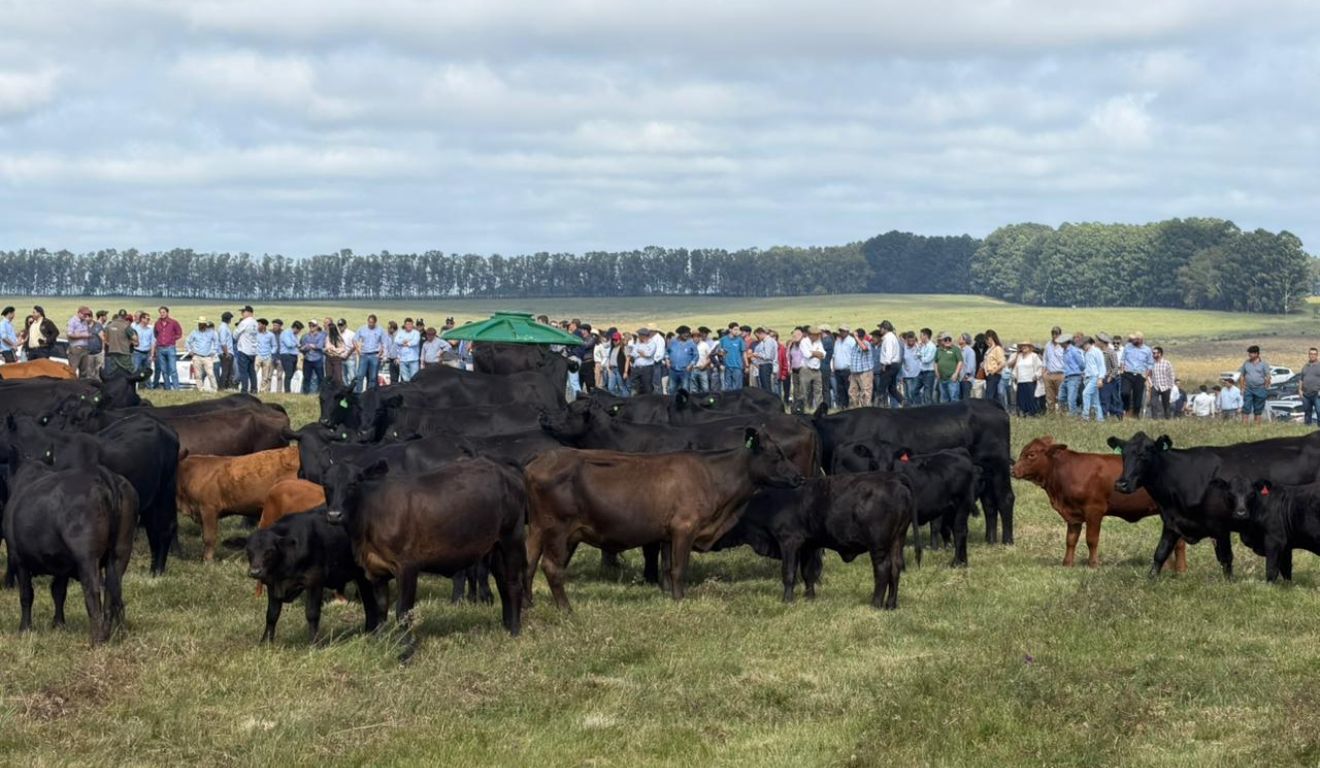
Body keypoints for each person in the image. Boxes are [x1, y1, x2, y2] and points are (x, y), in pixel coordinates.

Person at [1120, 332, 1154, 419]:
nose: (1132, 341)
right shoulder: (1128, 347)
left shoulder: (1147, 350)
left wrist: (1146, 374)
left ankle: (1135, 414)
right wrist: (1122, 369)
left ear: (1140, 340)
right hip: (1127, 373)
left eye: (1134, 339)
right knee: (1124, 392)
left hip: (1140, 375)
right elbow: (1123, 359)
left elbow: (1150, 364)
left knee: (1138, 397)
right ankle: (1126, 409)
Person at [150, 306, 183, 390]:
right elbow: (155, 334)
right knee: (164, 370)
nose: (162, 314)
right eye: (160, 312)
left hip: (170, 347)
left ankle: (176, 388)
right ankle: (167, 388)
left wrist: (172, 339)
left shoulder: (173, 322)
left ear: (167, 313)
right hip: (160, 348)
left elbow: (179, 333)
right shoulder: (157, 323)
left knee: (173, 369)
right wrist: (160, 340)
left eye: (163, 312)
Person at [1008, 340, 1044, 416]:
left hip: (1030, 381)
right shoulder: (1019, 356)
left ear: (1030, 347)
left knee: (1031, 398)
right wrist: (1014, 376)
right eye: (1022, 346)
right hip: (1020, 380)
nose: (1023, 347)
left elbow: (1040, 367)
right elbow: (1016, 367)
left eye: (1026, 346)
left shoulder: (1034, 356)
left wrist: (1036, 375)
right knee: (1021, 398)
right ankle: (1022, 413)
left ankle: (1032, 414)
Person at [353, 315, 387, 392]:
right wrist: (358, 350)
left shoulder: (380, 330)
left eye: (372, 322)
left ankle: (370, 393)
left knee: (373, 377)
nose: (370, 324)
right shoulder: (362, 329)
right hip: (364, 354)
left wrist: (380, 353)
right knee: (360, 375)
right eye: (369, 322)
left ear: (375, 322)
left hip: (374, 354)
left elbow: (384, 342)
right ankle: (358, 393)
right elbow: (354, 339)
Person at [1239, 345, 1272, 424]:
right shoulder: (1246, 363)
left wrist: (1266, 386)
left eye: (1251, 353)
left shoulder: (1264, 364)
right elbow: (1242, 376)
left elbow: (1268, 376)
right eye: (1249, 353)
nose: (1249, 355)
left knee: (1258, 409)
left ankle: (1257, 426)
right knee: (1246, 407)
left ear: (1257, 354)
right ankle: (1244, 425)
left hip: (1260, 389)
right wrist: (1242, 388)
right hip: (1248, 388)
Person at [875, 320, 903, 408]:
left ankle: (878, 407)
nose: (880, 329)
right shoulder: (892, 337)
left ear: (885, 329)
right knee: (892, 388)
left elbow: (889, 353)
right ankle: (904, 402)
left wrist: (885, 364)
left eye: (881, 328)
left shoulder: (888, 338)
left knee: (881, 388)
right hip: (894, 365)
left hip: (889, 365)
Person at [186, 318, 219, 391]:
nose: (200, 325)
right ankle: (200, 388)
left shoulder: (211, 333)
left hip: (207, 356)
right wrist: (190, 351)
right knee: (198, 374)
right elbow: (188, 341)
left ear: (205, 325)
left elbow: (216, 341)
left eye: (201, 324)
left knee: (210, 374)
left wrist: (214, 351)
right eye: (199, 324)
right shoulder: (194, 332)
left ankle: (214, 388)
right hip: (197, 356)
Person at [798, 326, 825, 412]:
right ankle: (804, 409)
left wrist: (813, 352)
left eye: (818, 334)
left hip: (817, 370)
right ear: (811, 335)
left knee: (818, 391)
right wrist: (816, 353)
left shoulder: (819, 342)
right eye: (816, 334)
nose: (818, 336)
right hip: (806, 370)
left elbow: (823, 355)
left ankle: (819, 409)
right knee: (804, 391)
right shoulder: (804, 342)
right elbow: (807, 355)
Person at [103, 309, 137, 377]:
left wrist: (110, 343)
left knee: (114, 371)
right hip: (123, 352)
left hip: (112, 351)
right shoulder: (126, 326)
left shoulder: (110, 325)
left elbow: (104, 338)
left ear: (118, 315)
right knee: (129, 370)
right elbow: (135, 338)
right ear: (125, 316)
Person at [233, 306, 259, 393]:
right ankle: (254, 389)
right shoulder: (255, 323)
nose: (242, 314)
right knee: (252, 371)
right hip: (253, 350)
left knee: (243, 372)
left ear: (249, 312)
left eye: (243, 312)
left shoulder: (244, 322)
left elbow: (235, 334)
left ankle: (244, 390)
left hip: (244, 350)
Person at [1097, 332, 1123, 419]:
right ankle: (1116, 412)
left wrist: (1110, 377)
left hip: (1107, 378)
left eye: (1098, 340)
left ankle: (1114, 414)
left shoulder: (1111, 352)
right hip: (1099, 378)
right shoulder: (1098, 352)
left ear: (1102, 342)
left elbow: (1115, 367)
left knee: (1105, 399)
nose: (1097, 342)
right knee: (1101, 398)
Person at [1081, 336, 1106, 422]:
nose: (1083, 346)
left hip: (1094, 377)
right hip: (1087, 377)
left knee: (1085, 394)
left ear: (1089, 343)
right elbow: (1089, 365)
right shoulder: (1086, 353)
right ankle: (1100, 419)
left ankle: (1085, 416)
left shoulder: (1097, 351)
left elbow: (1101, 365)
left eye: (1085, 344)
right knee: (1095, 400)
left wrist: (1100, 378)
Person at [66, 306, 95, 377]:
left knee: (84, 370)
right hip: (76, 348)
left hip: (85, 348)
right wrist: (83, 336)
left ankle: (82, 382)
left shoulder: (85, 322)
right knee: (72, 369)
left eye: (87, 314)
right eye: (84, 314)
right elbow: (70, 335)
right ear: (79, 313)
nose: (86, 316)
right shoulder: (72, 321)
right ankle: (71, 382)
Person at [933, 332, 962, 403]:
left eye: (949, 339)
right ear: (942, 341)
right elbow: (935, 362)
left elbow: (960, 362)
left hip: (952, 379)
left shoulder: (955, 349)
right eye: (945, 339)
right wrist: (936, 372)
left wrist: (956, 373)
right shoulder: (938, 350)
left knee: (954, 399)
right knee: (944, 399)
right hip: (942, 378)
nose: (948, 341)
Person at [831, 325, 856, 409]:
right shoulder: (837, 342)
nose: (841, 332)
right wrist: (834, 367)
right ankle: (843, 406)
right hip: (838, 370)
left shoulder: (851, 341)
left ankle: (850, 406)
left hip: (847, 369)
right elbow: (834, 356)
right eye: (840, 331)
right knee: (840, 390)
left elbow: (854, 356)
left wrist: (852, 371)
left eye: (843, 331)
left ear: (847, 332)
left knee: (849, 389)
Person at [1042, 326, 1066, 414]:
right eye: (1053, 333)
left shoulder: (1063, 345)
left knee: (1061, 396)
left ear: (1060, 334)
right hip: (1049, 374)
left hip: (1061, 374)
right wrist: (1043, 373)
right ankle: (1051, 414)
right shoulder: (1048, 345)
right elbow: (1045, 359)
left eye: (1056, 334)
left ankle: (1062, 414)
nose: (1054, 335)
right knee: (1049, 396)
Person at [1148, 346, 1175, 419]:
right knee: (1153, 403)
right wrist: (1151, 384)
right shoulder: (1152, 364)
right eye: (1153, 353)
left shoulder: (1167, 363)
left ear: (1160, 354)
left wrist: (1170, 387)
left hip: (1165, 387)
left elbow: (1171, 375)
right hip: (1155, 386)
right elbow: (1149, 375)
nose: (1153, 355)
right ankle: (1154, 419)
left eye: (1155, 353)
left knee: (1166, 404)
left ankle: (1167, 419)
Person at [668, 326, 698, 393]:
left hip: (685, 371)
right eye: (684, 333)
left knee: (685, 389)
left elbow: (696, 355)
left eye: (687, 333)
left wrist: (691, 365)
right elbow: (667, 352)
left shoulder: (691, 343)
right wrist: (667, 360)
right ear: (679, 334)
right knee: (671, 389)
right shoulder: (672, 342)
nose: (686, 335)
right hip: (673, 370)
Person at [629, 327, 658, 395]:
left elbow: (648, 354)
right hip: (636, 368)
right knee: (635, 386)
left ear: (644, 336)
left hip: (647, 369)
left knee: (647, 387)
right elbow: (633, 354)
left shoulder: (652, 344)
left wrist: (641, 353)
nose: (638, 337)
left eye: (639, 335)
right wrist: (641, 353)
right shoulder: (638, 343)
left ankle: (648, 399)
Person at [980, 330, 1006, 405]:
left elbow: (1002, 363)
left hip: (994, 374)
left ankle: (988, 410)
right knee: (995, 396)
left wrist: (994, 371)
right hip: (988, 375)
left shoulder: (997, 349)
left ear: (992, 338)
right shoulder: (989, 350)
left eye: (987, 339)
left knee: (989, 396)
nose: (986, 342)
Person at [301, 320, 327, 393]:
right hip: (307, 358)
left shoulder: (321, 336)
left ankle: (320, 392)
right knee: (306, 377)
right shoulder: (305, 336)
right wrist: (307, 347)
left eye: (313, 326)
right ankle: (306, 393)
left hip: (317, 359)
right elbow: (303, 347)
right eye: (310, 325)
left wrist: (309, 345)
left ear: (317, 326)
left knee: (320, 377)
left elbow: (320, 346)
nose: (311, 327)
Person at [718, 324, 745, 392]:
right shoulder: (723, 340)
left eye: (738, 330)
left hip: (737, 367)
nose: (737, 331)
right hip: (727, 367)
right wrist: (721, 362)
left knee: (737, 388)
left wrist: (745, 365)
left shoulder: (740, 340)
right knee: (727, 388)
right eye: (735, 329)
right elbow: (719, 353)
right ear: (730, 330)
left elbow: (743, 353)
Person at [1061, 337, 1085, 415]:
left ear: (1065, 342)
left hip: (1074, 376)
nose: (1060, 344)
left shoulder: (1074, 351)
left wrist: (1078, 371)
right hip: (1066, 376)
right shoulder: (1064, 351)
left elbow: (1081, 364)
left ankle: (1073, 415)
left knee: (1071, 398)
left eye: (1061, 342)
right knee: (1061, 396)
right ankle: (1072, 412)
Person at [322, 317, 349, 384]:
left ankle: (339, 387)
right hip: (328, 358)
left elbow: (343, 348)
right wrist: (327, 349)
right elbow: (326, 347)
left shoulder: (338, 338)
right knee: (329, 375)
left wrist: (335, 350)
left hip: (336, 358)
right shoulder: (327, 337)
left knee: (337, 376)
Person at [394, 318, 420, 383]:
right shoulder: (400, 333)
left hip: (413, 359)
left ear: (412, 325)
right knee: (405, 379)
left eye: (410, 324)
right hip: (403, 359)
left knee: (414, 378)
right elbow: (396, 341)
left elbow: (415, 342)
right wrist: (403, 341)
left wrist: (407, 343)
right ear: (405, 325)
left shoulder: (416, 333)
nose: (409, 326)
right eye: (407, 324)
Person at [899, 331, 921, 406]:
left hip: (917, 374)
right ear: (906, 340)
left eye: (913, 341)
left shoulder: (918, 347)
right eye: (910, 341)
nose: (912, 343)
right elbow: (901, 361)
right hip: (907, 375)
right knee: (907, 394)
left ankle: (917, 408)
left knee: (914, 393)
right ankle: (908, 409)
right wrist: (901, 375)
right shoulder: (903, 348)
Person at [1299, 347, 1320, 426]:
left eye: (1314, 354)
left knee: (1319, 412)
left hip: (1317, 394)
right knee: (1307, 413)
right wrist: (1300, 390)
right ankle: (1307, 428)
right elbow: (1301, 379)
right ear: (1308, 355)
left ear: (1317, 355)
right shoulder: (1305, 366)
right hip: (1306, 395)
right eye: (1311, 354)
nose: (1312, 355)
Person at [256, 318, 277, 393]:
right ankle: (253, 388)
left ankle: (262, 390)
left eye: (259, 324)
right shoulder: (255, 333)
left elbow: (274, 346)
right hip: (257, 356)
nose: (258, 326)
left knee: (265, 376)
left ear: (264, 325)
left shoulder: (271, 335)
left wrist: (271, 353)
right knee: (254, 373)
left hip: (267, 357)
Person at [916, 328, 937, 405]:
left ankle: (929, 409)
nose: (920, 337)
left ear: (926, 336)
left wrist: (920, 357)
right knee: (914, 390)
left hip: (929, 372)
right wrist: (919, 348)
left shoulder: (932, 347)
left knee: (928, 394)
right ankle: (919, 406)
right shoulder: (922, 346)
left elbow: (927, 360)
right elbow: (916, 355)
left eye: (921, 335)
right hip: (921, 371)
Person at [216, 311, 235, 390]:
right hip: (225, 353)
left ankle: (226, 387)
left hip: (227, 352)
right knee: (225, 371)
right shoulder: (223, 328)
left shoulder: (225, 327)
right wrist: (226, 353)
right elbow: (223, 342)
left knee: (229, 372)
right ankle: (221, 387)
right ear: (229, 319)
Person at [691, 327, 714, 394]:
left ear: (700, 337)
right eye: (694, 336)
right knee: (693, 389)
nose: (696, 338)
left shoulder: (705, 345)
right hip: (692, 369)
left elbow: (709, 357)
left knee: (705, 388)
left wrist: (704, 365)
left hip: (703, 369)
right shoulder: (690, 345)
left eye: (697, 336)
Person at [87, 310, 107, 378]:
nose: (86, 319)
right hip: (88, 354)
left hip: (98, 353)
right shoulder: (83, 326)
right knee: (89, 373)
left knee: (99, 371)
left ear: (91, 317)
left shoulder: (98, 325)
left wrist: (103, 350)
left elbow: (103, 338)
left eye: (87, 317)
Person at [958, 332, 977, 401]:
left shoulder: (970, 351)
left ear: (965, 340)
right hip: (959, 379)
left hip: (966, 379)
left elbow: (971, 365)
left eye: (960, 338)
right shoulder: (959, 350)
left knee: (965, 399)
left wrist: (966, 375)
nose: (958, 339)